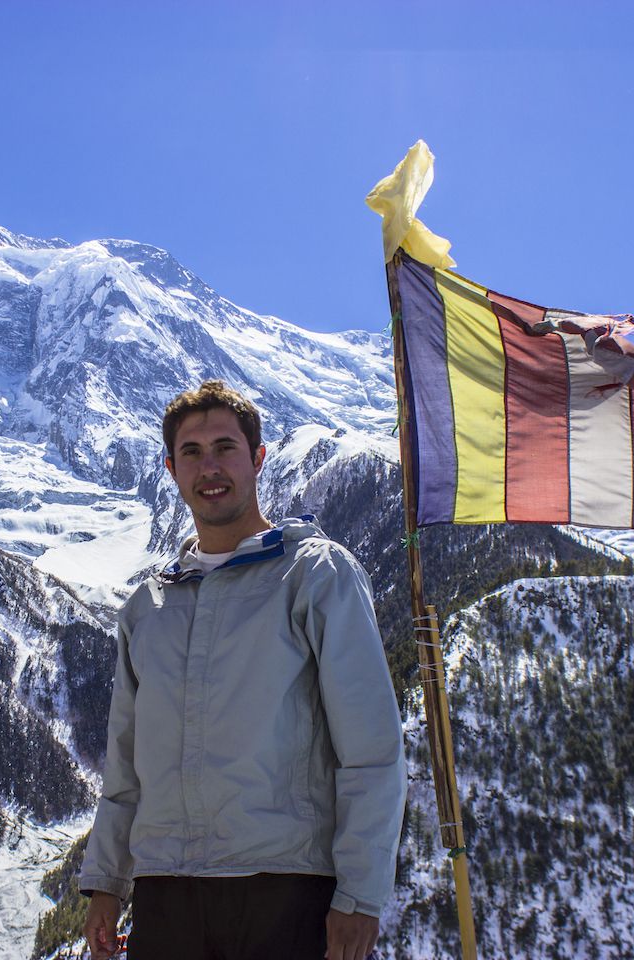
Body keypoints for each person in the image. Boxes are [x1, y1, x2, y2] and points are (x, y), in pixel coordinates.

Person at [79, 380, 407, 960]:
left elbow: (372, 751)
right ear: (171, 469)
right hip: (165, 898)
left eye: (225, 448)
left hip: (284, 891)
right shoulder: (148, 608)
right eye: (192, 452)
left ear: (258, 459)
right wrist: (105, 881)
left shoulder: (314, 576)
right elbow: (126, 771)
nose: (210, 467)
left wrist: (360, 897)